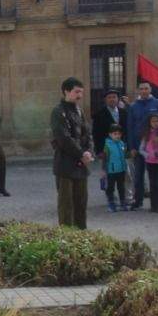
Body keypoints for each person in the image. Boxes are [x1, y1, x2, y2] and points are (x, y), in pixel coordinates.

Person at [51, 77, 94, 228]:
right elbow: (64, 138)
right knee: (66, 206)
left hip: (81, 165)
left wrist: (89, 151)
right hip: (65, 164)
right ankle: (68, 240)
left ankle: (82, 237)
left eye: (81, 92)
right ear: (66, 91)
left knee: (81, 203)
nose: (80, 95)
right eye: (76, 92)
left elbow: (87, 133)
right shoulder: (58, 112)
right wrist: (82, 153)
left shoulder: (79, 110)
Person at [127, 80, 158, 210]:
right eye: (141, 89)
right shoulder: (134, 106)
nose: (144, 91)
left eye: (146, 88)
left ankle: (157, 202)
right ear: (138, 91)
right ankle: (138, 200)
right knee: (138, 175)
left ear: (150, 90)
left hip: (154, 147)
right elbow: (130, 127)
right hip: (139, 145)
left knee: (155, 177)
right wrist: (132, 147)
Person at [92, 88, 126, 161]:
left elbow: (127, 131)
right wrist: (99, 150)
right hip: (106, 149)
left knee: (123, 170)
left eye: (114, 97)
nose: (112, 99)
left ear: (118, 99)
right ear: (105, 100)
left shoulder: (124, 112)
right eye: (109, 97)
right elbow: (96, 134)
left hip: (122, 148)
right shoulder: (99, 114)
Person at [102, 124, 129, 211]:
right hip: (111, 171)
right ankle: (111, 204)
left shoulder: (122, 144)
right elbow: (105, 158)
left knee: (121, 187)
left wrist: (130, 154)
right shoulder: (108, 145)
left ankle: (123, 203)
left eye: (119, 134)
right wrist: (104, 170)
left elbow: (124, 155)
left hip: (121, 170)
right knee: (110, 188)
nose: (117, 136)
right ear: (110, 134)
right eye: (115, 134)